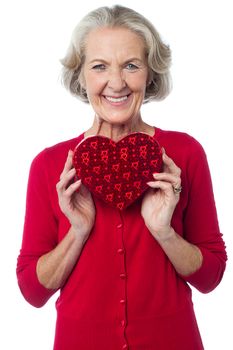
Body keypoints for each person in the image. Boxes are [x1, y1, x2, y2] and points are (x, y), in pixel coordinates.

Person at [16, 5, 227, 350]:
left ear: (150, 73)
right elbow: (32, 291)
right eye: (99, 67)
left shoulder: (185, 154)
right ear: (81, 76)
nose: (116, 83)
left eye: (131, 65)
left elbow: (211, 277)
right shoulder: (49, 164)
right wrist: (78, 231)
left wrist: (164, 231)